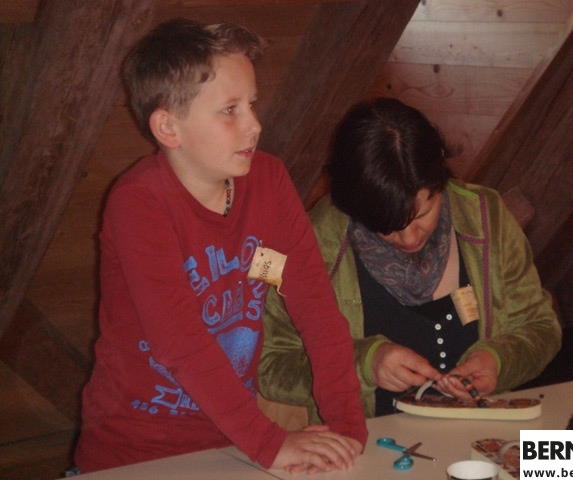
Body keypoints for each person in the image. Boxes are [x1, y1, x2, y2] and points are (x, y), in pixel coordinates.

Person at [74, 18, 367, 474]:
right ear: (168, 128)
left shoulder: (268, 181)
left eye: (251, 104)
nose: (255, 125)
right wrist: (271, 444)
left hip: (230, 447)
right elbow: (180, 343)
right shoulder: (138, 202)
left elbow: (315, 307)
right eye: (230, 110)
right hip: (134, 451)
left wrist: (347, 428)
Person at [259, 97, 562, 419]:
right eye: (386, 226)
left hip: (480, 431)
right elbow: (271, 366)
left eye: (423, 215)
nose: (409, 239)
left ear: (440, 182)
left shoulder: (487, 217)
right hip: (365, 442)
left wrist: (497, 360)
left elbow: (541, 329)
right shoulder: (303, 246)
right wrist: (364, 364)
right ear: (352, 205)